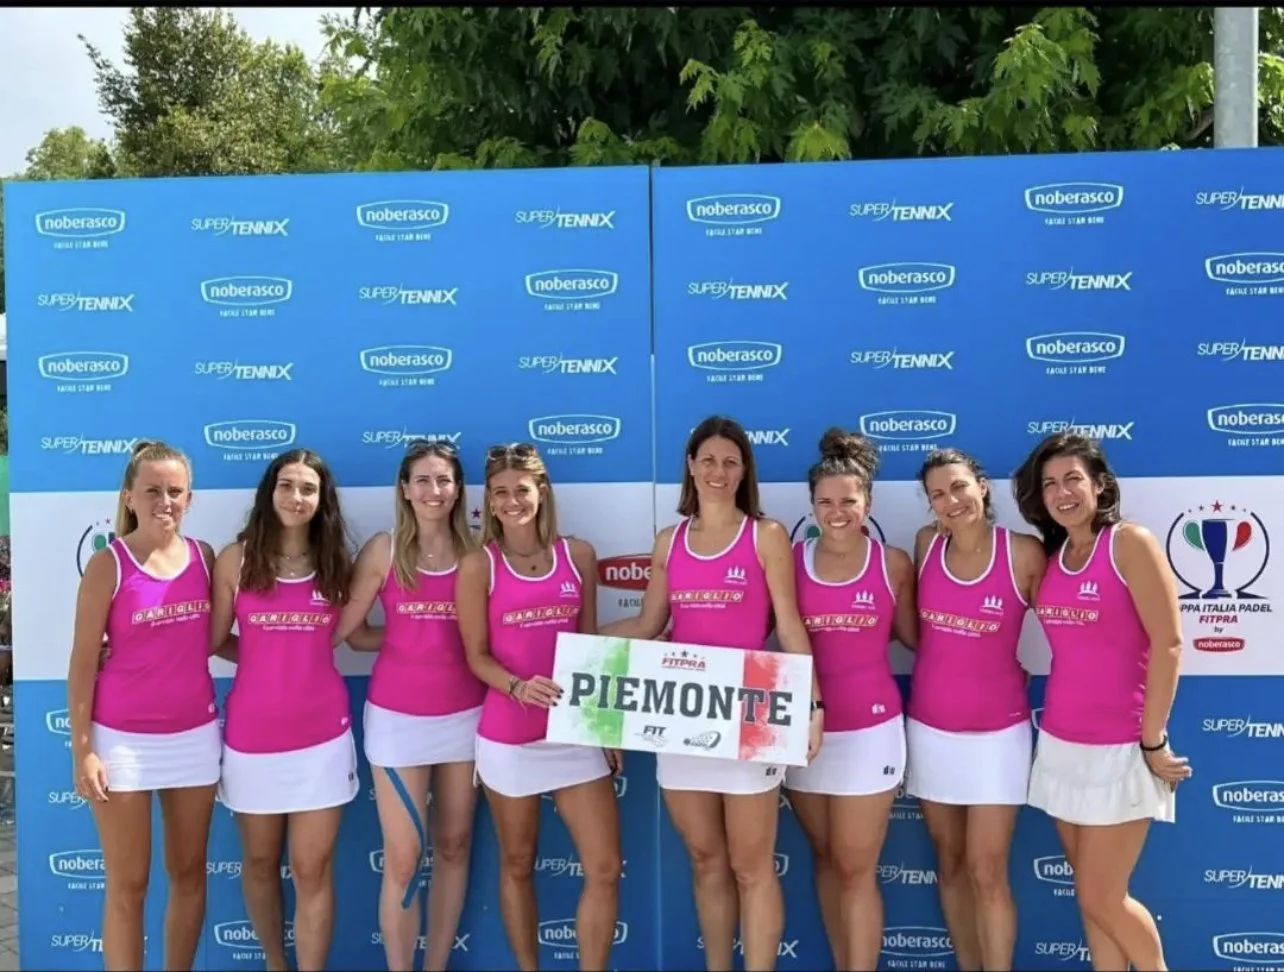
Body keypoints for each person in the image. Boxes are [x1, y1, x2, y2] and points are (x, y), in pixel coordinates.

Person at [600, 415, 823, 972]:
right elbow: (649, 624)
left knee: (753, 868)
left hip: (749, 717)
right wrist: (572, 645)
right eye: (708, 460)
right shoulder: (669, 541)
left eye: (730, 461)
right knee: (706, 861)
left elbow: (790, 627)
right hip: (682, 723)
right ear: (691, 467)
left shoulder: (765, 536)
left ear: (744, 468)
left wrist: (812, 705)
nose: (718, 471)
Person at [1014, 432, 1191, 971]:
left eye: (1073, 479)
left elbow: (1169, 643)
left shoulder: (1129, 542)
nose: (1062, 492)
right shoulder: (1054, 555)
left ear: (1099, 486)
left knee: (1102, 896)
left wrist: (1153, 739)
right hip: (1063, 745)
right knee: (1093, 903)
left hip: (1123, 747)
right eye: (1049, 484)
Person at [458, 442, 623, 971]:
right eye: (501, 493)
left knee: (603, 868)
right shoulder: (477, 566)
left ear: (541, 491)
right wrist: (515, 686)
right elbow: (476, 657)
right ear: (489, 501)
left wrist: (606, 727)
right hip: (510, 734)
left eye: (521, 491)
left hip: (574, 731)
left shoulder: (579, 556)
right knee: (518, 862)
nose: (512, 502)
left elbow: (591, 646)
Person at [66, 440, 221, 971]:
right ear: (129, 496)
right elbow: (82, 664)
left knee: (188, 874)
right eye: (152, 490)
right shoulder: (108, 566)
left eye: (175, 491)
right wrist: (83, 751)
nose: (165, 501)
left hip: (195, 737)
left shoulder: (206, 558)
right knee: (129, 885)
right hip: (123, 742)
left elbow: (219, 637)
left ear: (190, 498)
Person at [333, 439, 483, 972]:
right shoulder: (384, 549)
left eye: (443, 480)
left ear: (458, 488)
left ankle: (436, 964)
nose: (433, 490)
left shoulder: (478, 552)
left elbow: (492, 638)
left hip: (467, 718)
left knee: (455, 846)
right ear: (404, 488)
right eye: (422, 480)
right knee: (402, 859)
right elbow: (346, 634)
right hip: (398, 721)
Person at [210, 449, 357, 972]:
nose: (297, 497)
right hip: (252, 739)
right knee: (259, 862)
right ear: (269, 494)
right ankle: (275, 962)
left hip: (322, 738)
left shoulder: (337, 563)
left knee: (312, 870)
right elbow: (211, 640)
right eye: (287, 486)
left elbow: (357, 636)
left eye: (308, 489)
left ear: (322, 500)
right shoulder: (237, 559)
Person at [904, 448, 1046, 971]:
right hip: (930, 728)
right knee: (951, 865)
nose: (950, 501)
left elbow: (1072, 632)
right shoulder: (925, 546)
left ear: (982, 487)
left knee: (988, 871)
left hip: (997, 735)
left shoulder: (1023, 553)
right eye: (938, 494)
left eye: (959, 487)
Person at [784, 429, 917, 971]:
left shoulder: (894, 563)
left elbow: (913, 637)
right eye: (825, 502)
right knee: (824, 860)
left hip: (870, 731)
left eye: (848, 501)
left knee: (858, 870)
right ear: (812, 505)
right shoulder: (790, 561)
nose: (837, 512)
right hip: (803, 733)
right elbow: (748, 632)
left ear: (869, 504)